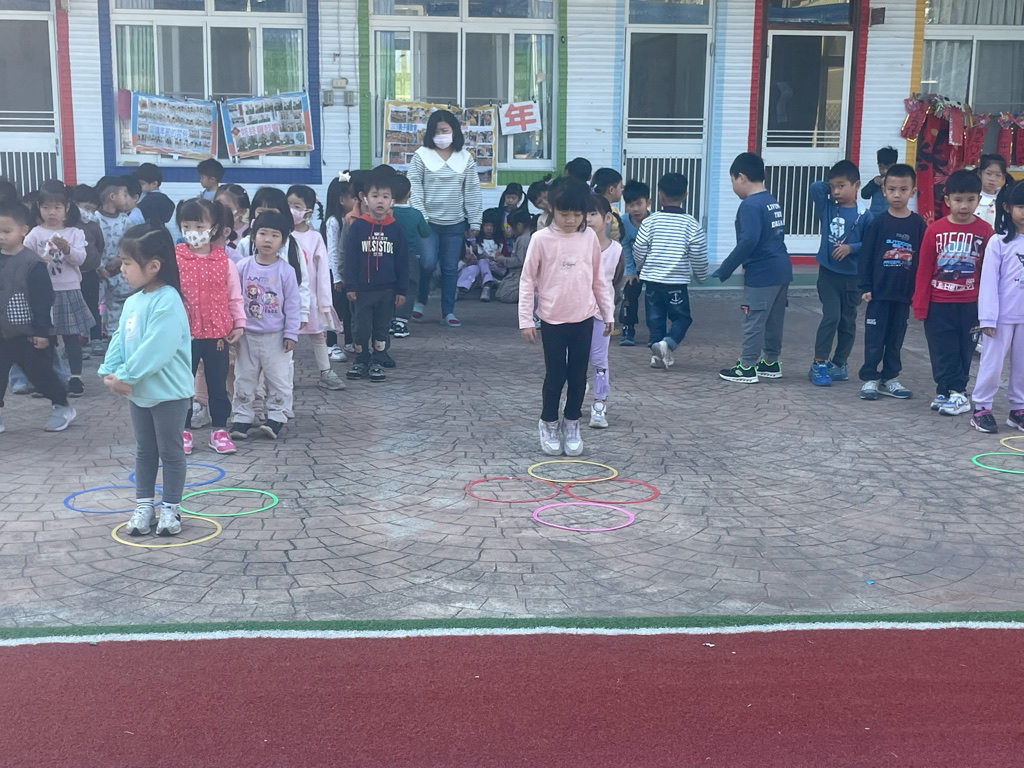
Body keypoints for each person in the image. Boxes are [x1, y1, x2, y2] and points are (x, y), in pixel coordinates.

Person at [98, 224, 193, 537]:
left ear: (153, 266)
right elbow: (119, 339)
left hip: (168, 393)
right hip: (138, 392)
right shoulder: (133, 301)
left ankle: (171, 507)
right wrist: (109, 370)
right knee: (145, 451)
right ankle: (144, 506)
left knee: (171, 452)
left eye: (127, 263)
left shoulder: (168, 300)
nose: (121, 269)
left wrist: (125, 376)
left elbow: (156, 348)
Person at [519, 178, 614, 457]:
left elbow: (599, 279)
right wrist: (526, 319)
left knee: (577, 375)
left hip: (584, 317)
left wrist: (607, 312)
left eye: (576, 214)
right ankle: (549, 421)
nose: (570, 220)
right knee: (556, 374)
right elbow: (527, 280)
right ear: (552, 209)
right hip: (552, 319)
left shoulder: (589, 239)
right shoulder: (541, 239)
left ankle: (572, 422)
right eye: (564, 214)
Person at [913, 169, 994, 416]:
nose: (964, 206)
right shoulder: (934, 230)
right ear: (947, 200)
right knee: (941, 349)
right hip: (939, 303)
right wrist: (920, 305)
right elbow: (924, 269)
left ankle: (958, 392)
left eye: (970, 199)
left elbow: (989, 273)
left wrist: (989, 308)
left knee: (964, 349)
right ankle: (946, 390)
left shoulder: (986, 231)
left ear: (979, 200)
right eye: (958, 200)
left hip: (970, 304)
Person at [712, 152, 793, 384]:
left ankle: (747, 366)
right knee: (773, 320)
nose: (733, 186)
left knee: (754, 318)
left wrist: (725, 268)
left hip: (762, 272)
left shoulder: (749, 205)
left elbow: (748, 240)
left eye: (732, 180)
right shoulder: (770, 200)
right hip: (781, 269)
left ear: (741, 177)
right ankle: (771, 362)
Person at [175, 198, 245, 454]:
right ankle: (182, 430)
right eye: (186, 225)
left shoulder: (224, 262)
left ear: (213, 228)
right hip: (184, 335)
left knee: (218, 384)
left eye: (199, 225)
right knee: (183, 385)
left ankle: (219, 430)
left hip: (217, 334)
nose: (192, 231)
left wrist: (239, 323)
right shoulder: (174, 259)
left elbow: (234, 296)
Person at [0, 201, 78, 434]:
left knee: (40, 374)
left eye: (6, 231)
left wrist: (41, 332)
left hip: (28, 334)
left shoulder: (32, 263)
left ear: (23, 231)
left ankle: (62, 406)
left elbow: (43, 300)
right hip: (2, 333)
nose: (1, 237)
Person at [856, 164, 927, 401]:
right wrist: (866, 286)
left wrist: (918, 292)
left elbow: (923, 260)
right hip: (879, 294)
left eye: (903, 190)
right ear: (884, 191)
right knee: (874, 339)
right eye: (892, 189)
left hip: (903, 295)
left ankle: (889, 378)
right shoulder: (878, 223)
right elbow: (866, 257)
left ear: (912, 192)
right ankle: (870, 378)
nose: (897, 195)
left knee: (895, 340)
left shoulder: (918, 225)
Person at [229, 211, 301, 440]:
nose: (268, 239)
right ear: (253, 236)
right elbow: (233, 298)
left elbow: (293, 305)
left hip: (276, 337)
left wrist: (291, 333)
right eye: (263, 233)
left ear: (283, 240)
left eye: (275, 235)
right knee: (244, 377)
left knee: (278, 378)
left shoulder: (286, 271)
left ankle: (277, 416)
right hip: (246, 336)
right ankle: (242, 417)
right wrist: (234, 326)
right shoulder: (243, 267)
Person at [408, 110, 483, 327]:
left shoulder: (465, 157)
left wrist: (475, 220)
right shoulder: (421, 155)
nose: (440, 135)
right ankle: (420, 300)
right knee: (428, 264)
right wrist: (421, 217)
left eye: (444, 130)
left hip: (455, 223)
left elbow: (472, 190)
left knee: (450, 269)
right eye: (436, 132)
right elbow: (414, 187)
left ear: (454, 131)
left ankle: (447, 312)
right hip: (427, 223)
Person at [25, 180, 95, 397]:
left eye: (57, 207)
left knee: (71, 337)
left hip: (69, 289)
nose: (51, 212)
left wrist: (67, 249)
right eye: (46, 207)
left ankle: (76, 378)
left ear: (67, 208)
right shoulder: (35, 233)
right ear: (39, 208)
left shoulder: (75, 233)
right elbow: (24, 259)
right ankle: (48, 379)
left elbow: (81, 259)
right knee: (45, 338)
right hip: (43, 293)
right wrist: (39, 261)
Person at [632, 172, 708, 370]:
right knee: (682, 317)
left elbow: (639, 248)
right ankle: (668, 343)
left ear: (660, 195)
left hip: (652, 281)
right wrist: (701, 276)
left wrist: (640, 267)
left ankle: (657, 355)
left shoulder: (650, 222)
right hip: (676, 282)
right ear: (686, 194)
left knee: (655, 318)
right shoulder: (691, 224)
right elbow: (699, 253)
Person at [809, 160, 873, 386]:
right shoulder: (827, 207)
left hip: (853, 278)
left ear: (857, 185)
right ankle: (819, 363)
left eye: (842, 186)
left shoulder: (865, 215)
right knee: (832, 316)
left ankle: (839, 363)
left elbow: (871, 244)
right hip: (828, 274)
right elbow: (815, 187)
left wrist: (850, 248)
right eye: (833, 186)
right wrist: (831, 187)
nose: (836, 191)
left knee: (847, 321)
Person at [344, 170, 409, 383]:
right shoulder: (358, 227)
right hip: (362, 291)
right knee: (361, 328)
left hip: (387, 290)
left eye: (385, 196)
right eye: (375, 196)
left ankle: (378, 361)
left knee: (382, 328)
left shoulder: (396, 229)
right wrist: (350, 285)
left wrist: (401, 290)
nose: (380, 201)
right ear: (365, 198)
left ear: (392, 200)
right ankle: (361, 359)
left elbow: (402, 261)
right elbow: (350, 258)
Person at [970, 182, 1024, 433]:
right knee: (992, 364)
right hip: (1001, 317)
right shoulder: (998, 242)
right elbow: (989, 282)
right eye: (1020, 207)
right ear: (1007, 207)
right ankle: (982, 408)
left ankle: (1018, 410)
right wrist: (988, 319)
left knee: (1022, 366)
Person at [286, 185, 345, 391]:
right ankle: (284, 377)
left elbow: (322, 272)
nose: (291, 210)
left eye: (296, 206)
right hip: (285, 298)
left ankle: (326, 372)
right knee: (285, 337)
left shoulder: (315, 238)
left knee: (318, 334)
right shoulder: (281, 235)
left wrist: (324, 301)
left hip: (310, 297)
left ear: (308, 211)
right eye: (288, 205)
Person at [586, 194, 624, 429]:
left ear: (607, 218)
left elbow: (615, 281)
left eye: (593, 214)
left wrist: (609, 311)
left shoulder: (616, 250)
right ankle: (574, 394)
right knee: (572, 359)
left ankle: (599, 404)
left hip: (601, 315)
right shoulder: (574, 246)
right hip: (574, 313)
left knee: (600, 360)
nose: (588, 219)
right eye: (584, 214)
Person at [390, 173, 431, 338]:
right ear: (409, 194)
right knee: (409, 286)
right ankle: (401, 322)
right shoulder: (415, 214)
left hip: (388, 254)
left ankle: (389, 319)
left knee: (389, 285)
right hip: (409, 255)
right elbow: (426, 232)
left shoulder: (387, 213)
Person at [94, 175, 134, 339]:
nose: (127, 199)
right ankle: (93, 336)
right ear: (112, 196)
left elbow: (130, 243)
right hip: (99, 272)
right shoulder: (95, 219)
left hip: (119, 270)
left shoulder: (125, 220)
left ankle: (115, 336)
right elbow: (90, 245)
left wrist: (120, 260)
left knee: (118, 303)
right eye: (124, 194)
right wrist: (98, 267)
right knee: (95, 303)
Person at [323, 173, 358, 357]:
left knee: (348, 310)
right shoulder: (333, 221)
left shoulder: (350, 219)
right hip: (334, 273)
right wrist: (337, 276)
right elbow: (333, 251)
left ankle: (350, 342)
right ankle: (331, 344)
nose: (356, 201)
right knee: (334, 309)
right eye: (353, 197)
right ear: (342, 200)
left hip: (346, 271)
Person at [72, 184, 106, 357]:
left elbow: (100, 245)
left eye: (93, 210)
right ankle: (75, 341)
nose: (89, 213)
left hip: (90, 273)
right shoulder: (69, 226)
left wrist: (95, 261)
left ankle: (96, 338)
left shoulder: (93, 226)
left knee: (93, 306)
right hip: (72, 275)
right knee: (73, 309)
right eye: (86, 208)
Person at [618, 179, 650, 347]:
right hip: (633, 267)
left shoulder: (655, 221)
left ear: (648, 202)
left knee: (655, 297)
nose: (635, 209)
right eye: (631, 205)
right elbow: (625, 248)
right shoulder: (623, 222)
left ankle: (657, 331)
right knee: (629, 295)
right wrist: (630, 272)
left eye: (639, 204)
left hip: (652, 267)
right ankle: (628, 328)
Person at [458, 210, 507, 302]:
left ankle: (490, 281)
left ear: (495, 228)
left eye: (491, 226)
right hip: (482, 269)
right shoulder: (476, 242)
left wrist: (500, 260)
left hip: (497, 268)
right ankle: (487, 286)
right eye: (486, 225)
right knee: (482, 261)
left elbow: (504, 257)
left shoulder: (500, 242)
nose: (489, 228)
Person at [496, 209, 533, 304]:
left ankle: (532, 293)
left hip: (520, 273)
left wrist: (503, 260)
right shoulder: (523, 237)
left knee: (505, 296)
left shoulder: (523, 240)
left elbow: (520, 261)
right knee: (499, 293)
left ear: (519, 225)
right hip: (516, 273)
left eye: (512, 227)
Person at [975, 154, 1012, 228]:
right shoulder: (973, 196)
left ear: (1003, 177)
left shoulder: (1005, 198)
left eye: (998, 175)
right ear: (980, 173)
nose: (992, 179)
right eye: (988, 174)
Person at [860, 146, 899, 217]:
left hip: (891, 217)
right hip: (875, 217)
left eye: (888, 168)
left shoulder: (899, 181)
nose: (884, 171)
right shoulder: (876, 181)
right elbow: (864, 195)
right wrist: (873, 184)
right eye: (881, 167)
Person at [592, 168, 625, 243]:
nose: (622, 190)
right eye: (621, 187)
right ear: (611, 190)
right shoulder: (607, 210)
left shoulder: (591, 207)